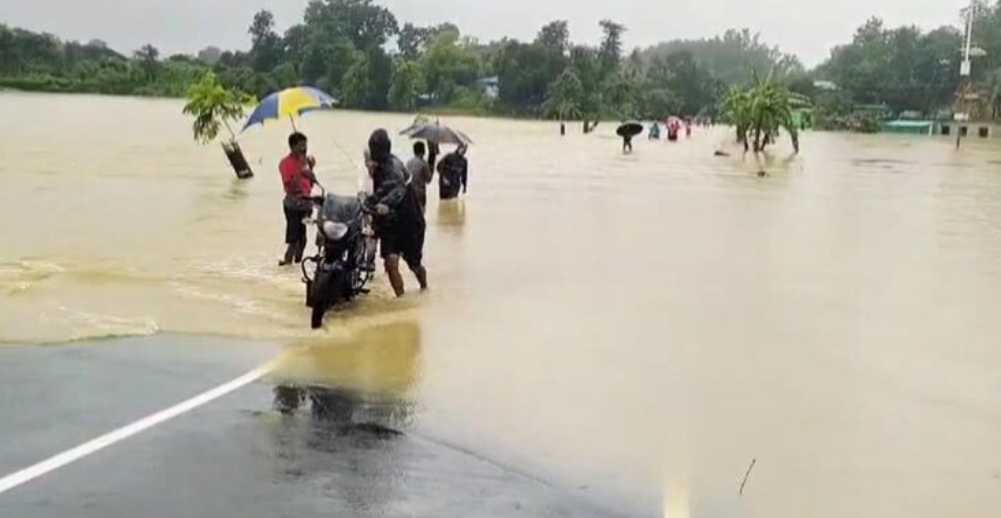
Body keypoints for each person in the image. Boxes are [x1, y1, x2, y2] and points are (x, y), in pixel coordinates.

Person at [365, 129, 428, 297]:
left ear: (383, 149)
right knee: (390, 263)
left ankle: (424, 287)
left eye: (374, 148)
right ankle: (400, 298)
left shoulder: (393, 166)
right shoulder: (377, 167)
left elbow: (395, 190)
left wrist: (382, 202)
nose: (372, 152)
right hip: (390, 224)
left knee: (414, 265)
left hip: (409, 222)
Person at [278, 132, 317, 266]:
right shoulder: (285, 163)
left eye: (305, 146)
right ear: (292, 147)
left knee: (303, 239)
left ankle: (297, 265)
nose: (304, 149)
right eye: (300, 146)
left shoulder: (306, 161)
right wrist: (300, 170)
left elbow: (311, 184)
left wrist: (311, 168)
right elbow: (290, 188)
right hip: (292, 204)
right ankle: (287, 263)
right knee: (293, 240)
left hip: (306, 203)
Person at [405, 141, 434, 212]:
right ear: (423, 152)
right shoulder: (423, 164)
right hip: (420, 192)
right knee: (421, 213)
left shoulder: (409, 162)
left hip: (409, 191)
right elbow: (428, 180)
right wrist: (431, 169)